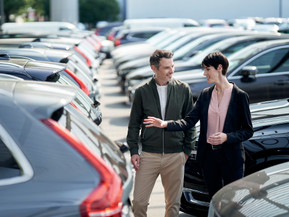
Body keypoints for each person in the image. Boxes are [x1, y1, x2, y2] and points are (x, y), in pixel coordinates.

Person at [144, 51, 254, 199]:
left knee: (232, 201)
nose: (204, 74)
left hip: (231, 158)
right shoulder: (206, 94)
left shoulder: (240, 96)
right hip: (209, 157)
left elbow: (247, 131)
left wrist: (226, 137)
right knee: (215, 199)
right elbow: (189, 121)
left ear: (219, 68)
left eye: (207, 69)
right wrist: (165, 124)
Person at [126, 49, 196, 217]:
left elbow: (190, 123)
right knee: (139, 202)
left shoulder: (183, 89)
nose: (171, 71)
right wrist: (134, 151)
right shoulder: (142, 91)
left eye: (172, 66)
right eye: (166, 68)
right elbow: (134, 124)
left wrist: (186, 150)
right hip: (149, 155)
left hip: (175, 155)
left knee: (173, 204)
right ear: (154, 68)